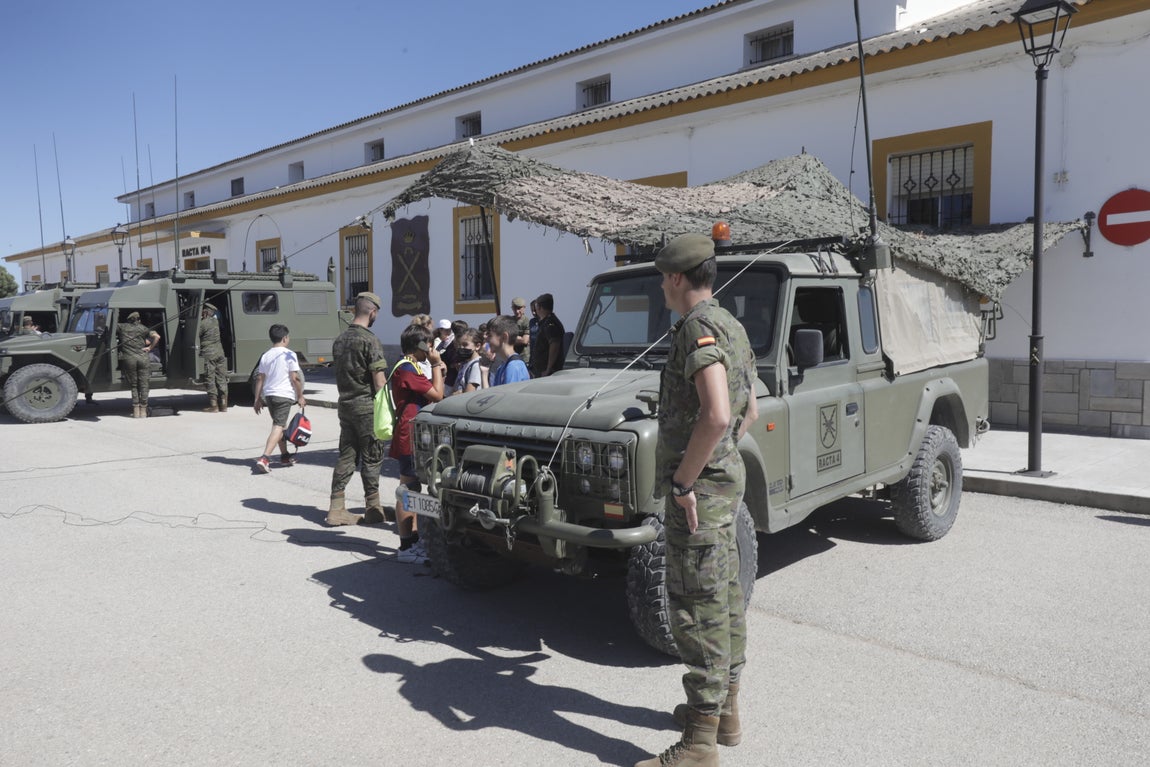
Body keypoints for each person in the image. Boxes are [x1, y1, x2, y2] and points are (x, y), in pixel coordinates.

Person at [635, 233, 758, 767]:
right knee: (724, 594)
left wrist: (685, 482)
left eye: (664, 276)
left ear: (679, 278)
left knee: (696, 606)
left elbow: (717, 415)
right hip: (724, 484)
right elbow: (750, 410)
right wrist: (721, 457)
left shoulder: (697, 329)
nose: (662, 285)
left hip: (698, 494)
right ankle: (725, 714)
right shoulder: (731, 323)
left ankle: (699, 745)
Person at [327, 292, 389, 526]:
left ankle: (336, 508)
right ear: (372, 312)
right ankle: (373, 508)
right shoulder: (370, 340)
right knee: (372, 457)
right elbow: (379, 381)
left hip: (345, 405)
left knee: (347, 454)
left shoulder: (340, 340)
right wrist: (389, 409)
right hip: (366, 407)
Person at [389, 323, 446, 562]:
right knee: (409, 489)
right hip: (410, 436)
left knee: (409, 487)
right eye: (429, 344)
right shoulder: (408, 369)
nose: (431, 348)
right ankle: (407, 546)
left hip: (410, 433)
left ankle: (412, 540)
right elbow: (437, 395)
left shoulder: (408, 367)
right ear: (421, 345)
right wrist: (435, 364)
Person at [252, 324, 306, 474]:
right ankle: (265, 458)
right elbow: (295, 378)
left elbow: (260, 378)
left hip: (269, 396)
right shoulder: (289, 354)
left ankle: (284, 456)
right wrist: (300, 396)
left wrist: (257, 399)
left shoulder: (266, 355)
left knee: (280, 426)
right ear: (285, 338)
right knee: (278, 426)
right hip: (283, 395)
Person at [116, 310, 160, 418]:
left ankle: (136, 410)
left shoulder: (122, 327)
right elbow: (157, 337)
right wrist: (150, 348)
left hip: (129, 359)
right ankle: (143, 410)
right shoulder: (143, 328)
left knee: (134, 385)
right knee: (144, 385)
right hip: (143, 358)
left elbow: (111, 326)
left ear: (129, 320)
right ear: (138, 320)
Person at [199, 302, 229, 412]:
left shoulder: (203, 323)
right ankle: (224, 405)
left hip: (209, 354)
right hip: (220, 352)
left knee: (210, 378)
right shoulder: (216, 321)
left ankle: (213, 406)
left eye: (203, 311)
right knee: (221, 378)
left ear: (206, 312)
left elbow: (196, 335)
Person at [487, 315, 530, 386]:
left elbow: (508, 396)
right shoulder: (503, 366)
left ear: (504, 337)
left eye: (490, 335)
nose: (487, 339)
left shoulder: (513, 366)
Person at [530, 292, 565, 378]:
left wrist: (548, 369)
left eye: (536, 307)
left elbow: (554, 345)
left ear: (540, 307)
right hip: (540, 371)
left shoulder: (550, 324)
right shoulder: (545, 322)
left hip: (547, 373)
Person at [450, 328, 485, 395]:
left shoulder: (476, 365)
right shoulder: (464, 363)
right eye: (459, 345)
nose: (461, 348)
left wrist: (457, 394)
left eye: (465, 345)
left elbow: (469, 393)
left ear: (477, 346)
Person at [511, 297, 531, 370]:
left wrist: (512, 338)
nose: (517, 311)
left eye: (519, 308)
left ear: (524, 308)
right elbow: (506, 339)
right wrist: (519, 338)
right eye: (514, 308)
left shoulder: (526, 321)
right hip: (512, 356)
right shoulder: (510, 321)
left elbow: (525, 341)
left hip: (524, 358)